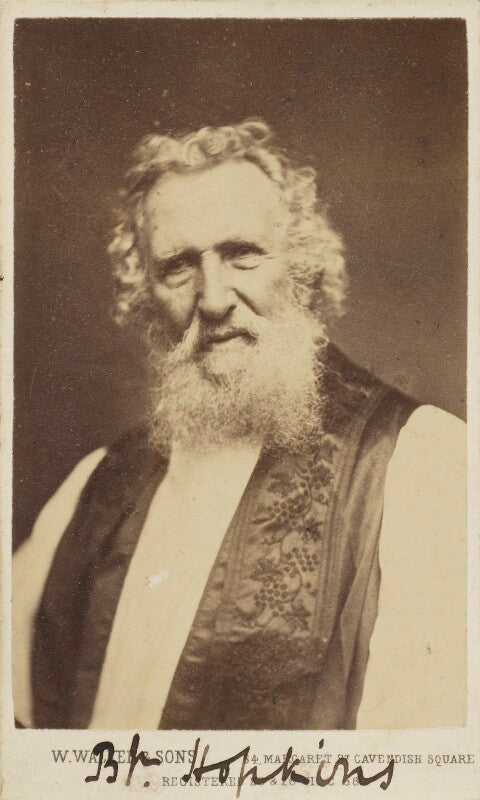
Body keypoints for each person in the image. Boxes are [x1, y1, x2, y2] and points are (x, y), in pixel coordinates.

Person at [13, 120, 466, 731]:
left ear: (302, 268)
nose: (213, 299)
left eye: (242, 255)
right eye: (178, 267)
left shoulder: (419, 464)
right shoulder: (96, 487)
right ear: (146, 295)